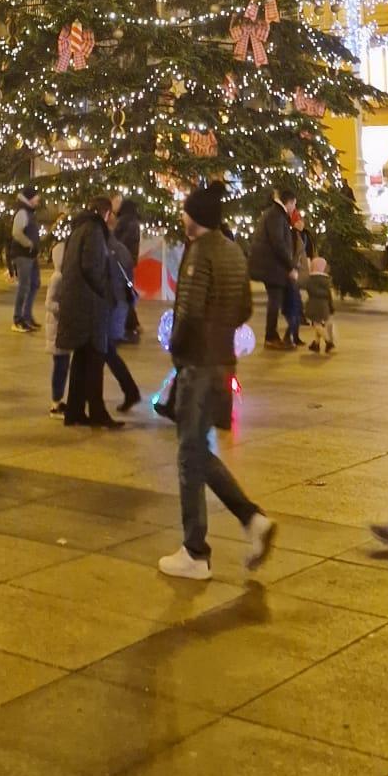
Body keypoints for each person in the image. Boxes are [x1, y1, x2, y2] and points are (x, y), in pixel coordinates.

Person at [157, 182, 276, 581]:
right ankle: (252, 520)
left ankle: (196, 551)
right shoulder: (231, 250)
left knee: (189, 455)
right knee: (196, 449)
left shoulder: (200, 253)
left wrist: (178, 350)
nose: (182, 218)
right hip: (224, 362)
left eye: (185, 212)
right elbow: (243, 306)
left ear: (196, 219)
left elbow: (188, 312)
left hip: (199, 365)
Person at [54, 195, 119, 427]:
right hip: (89, 305)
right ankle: (97, 413)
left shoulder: (79, 228)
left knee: (82, 358)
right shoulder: (93, 230)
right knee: (94, 360)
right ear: (106, 213)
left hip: (77, 301)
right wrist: (105, 293)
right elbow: (92, 267)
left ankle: (74, 411)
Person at [247, 183, 298, 349]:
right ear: (289, 202)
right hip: (271, 266)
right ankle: (271, 337)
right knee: (275, 300)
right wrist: (290, 267)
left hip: (271, 265)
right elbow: (278, 244)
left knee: (276, 299)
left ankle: (274, 335)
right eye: (294, 205)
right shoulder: (276, 215)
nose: (294, 209)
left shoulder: (274, 214)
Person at [104, 222, 142, 411]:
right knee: (107, 351)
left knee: (105, 350)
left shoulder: (109, 250)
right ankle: (130, 391)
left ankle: (131, 391)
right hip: (120, 305)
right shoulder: (120, 248)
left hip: (113, 306)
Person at [10, 185, 42, 332]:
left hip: (31, 255)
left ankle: (27, 316)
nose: (38, 200)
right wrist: (29, 244)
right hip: (23, 255)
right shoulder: (22, 212)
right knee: (24, 286)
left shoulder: (29, 212)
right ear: (30, 198)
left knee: (34, 283)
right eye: (36, 197)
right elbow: (17, 233)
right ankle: (18, 319)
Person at [43, 239, 70, 415]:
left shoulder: (64, 276)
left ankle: (59, 399)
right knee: (60, 367)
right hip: (56, 330)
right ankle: (55, 401)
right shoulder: (58, 277)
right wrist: (64, 309)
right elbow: (49, 303)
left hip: (62, 329)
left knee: (63, 365)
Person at [112, 194, 142, 341]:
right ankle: (132, 324)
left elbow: (117, 242)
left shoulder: (124, 222)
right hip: (129, 261)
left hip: (121, 262)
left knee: (123, 293)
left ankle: (129, 325)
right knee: (127, 291)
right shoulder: (134, 222)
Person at [281, 210, 308, 347]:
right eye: (298, 220)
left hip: (295, 275)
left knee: (297, 307)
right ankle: (288, 337)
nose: (301, 223)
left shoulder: (299, 235)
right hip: (291, 276)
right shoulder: (292, 236)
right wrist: (292, 268)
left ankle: (295, 337)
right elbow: (290, 255)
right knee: (294, 308)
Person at [301, 253, 335, 353]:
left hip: (314, 305)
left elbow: (306, 287)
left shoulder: (310, 279)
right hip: (324, 305)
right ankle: (316, 344)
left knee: (317, 325)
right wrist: (331, 306)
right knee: (319, 324)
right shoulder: (327, 280)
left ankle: (328, 342)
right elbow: (329, 295)